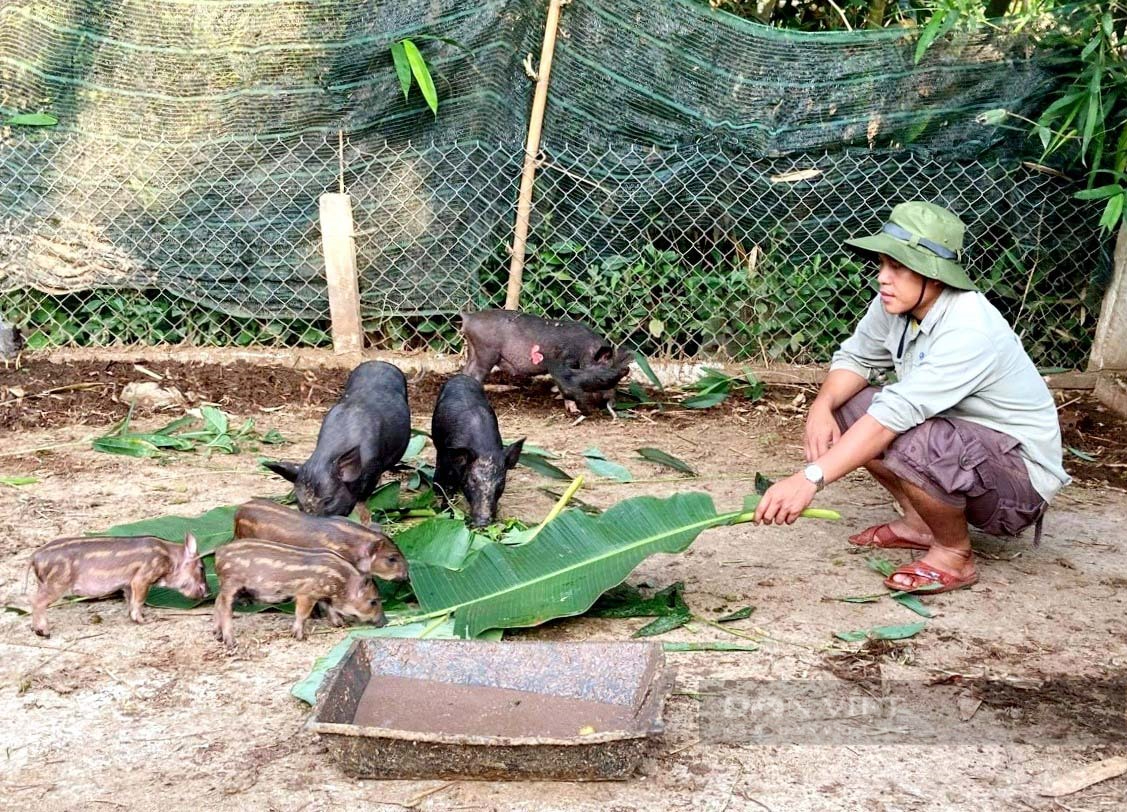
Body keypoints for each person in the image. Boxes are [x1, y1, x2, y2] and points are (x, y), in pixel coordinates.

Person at [753, 201, 1070, 593]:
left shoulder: (969, 329)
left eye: (898, 267)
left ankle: (954, 555)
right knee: (851, 406)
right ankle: (920, 524)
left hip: (1017, 488)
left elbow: (896, 415)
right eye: (883, 264)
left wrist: (809, 479)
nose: (883, 279)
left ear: (935, 276)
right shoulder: (898, 304)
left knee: (917, 439)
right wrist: (822, 406)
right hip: (967, 450)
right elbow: (855, 358)